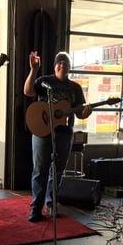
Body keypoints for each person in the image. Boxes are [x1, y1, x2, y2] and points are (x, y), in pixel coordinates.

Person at [23, 51, 93, 222]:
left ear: (69, 67)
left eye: (65, 63)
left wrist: (86, 112)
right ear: (55, 65)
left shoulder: (75, 88)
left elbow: (80, 113)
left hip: (64, 133)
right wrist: (34, 70)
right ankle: (36, 208)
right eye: (59, 62)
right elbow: (28, 91)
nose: (62, 65)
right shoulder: (44, 81)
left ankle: (51, 203)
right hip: (42, 131)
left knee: (58, 171)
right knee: (40, 170)